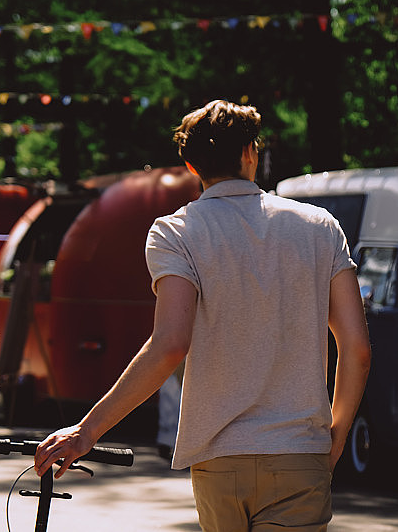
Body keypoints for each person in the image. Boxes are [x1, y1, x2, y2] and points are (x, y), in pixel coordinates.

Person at [34, 99, 371, 531]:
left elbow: (170, 344)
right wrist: (336, 434)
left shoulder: (175, 232)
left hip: (218, 458)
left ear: (191, 164)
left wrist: (87, 430)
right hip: (298, 452)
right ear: (252, 152)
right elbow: (356, 349)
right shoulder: (319, 227)